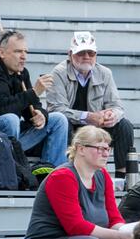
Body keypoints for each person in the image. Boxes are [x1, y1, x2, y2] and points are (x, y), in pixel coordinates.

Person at [24, 126, 131, 239]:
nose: (106, 153)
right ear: (80, 149)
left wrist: (127, 233)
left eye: (108, 148)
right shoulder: (63, 176)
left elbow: (114, 217)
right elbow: (76, 227)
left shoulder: (102, 175)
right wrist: (119, 236)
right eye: (99, 148)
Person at [0, 30, 68, 166]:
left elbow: (30, 107)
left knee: (58, 119)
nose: (23, 57)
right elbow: (2, 110)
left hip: (13, 139)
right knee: (10, 119)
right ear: (1, 53)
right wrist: (34, 92)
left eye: (25, 52)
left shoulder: (21, 72)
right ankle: (11, 169)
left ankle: (52, 173)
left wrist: (41, 114)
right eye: (18, 51)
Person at [47, 31, 134, 179]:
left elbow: (118, 107)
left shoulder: (105, 73)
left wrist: (111, 115)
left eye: (91, 53)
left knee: (124, 125)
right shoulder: (59, 73)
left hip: (98, 126)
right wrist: (87, 117)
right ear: (70, 54)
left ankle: (122, 177)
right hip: (71, 125)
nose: (86, 57)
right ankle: (67, 173)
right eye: (81, 52)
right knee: (61, 122)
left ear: (96, 55)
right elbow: (57, 109)